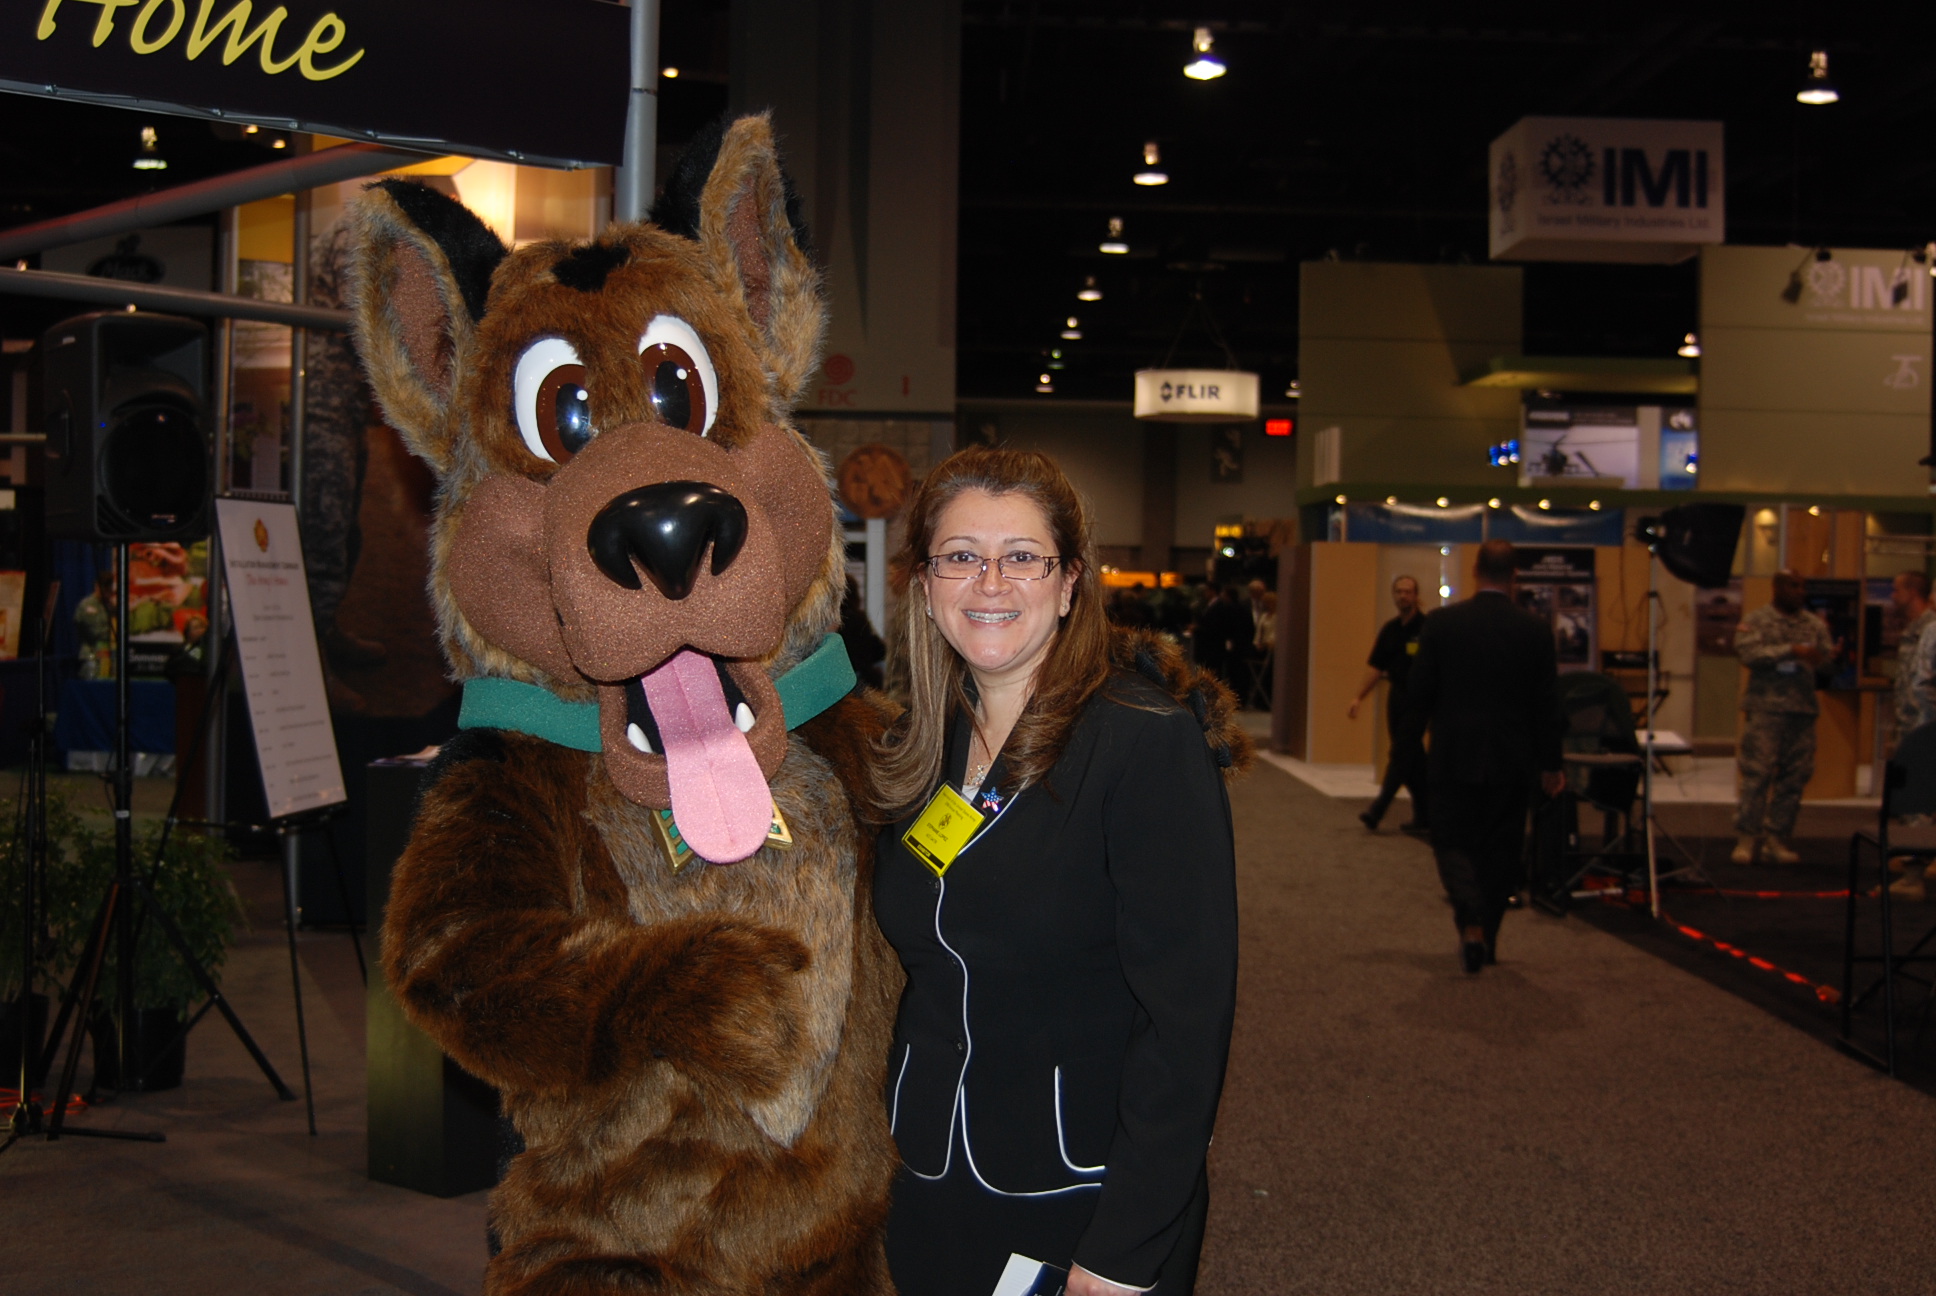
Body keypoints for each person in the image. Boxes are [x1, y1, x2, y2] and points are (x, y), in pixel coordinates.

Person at [870, 447, 1240, 1296]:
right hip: (926, 1174)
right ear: (926, 585)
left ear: (1070, 583)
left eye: (1022, 557)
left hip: (1083, 1195)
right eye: (960, 556)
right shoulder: (914, 751)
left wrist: (1124, 1248)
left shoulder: (1144, 742)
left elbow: (1187, 1024)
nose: (989, 581)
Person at [1407, 541, 1562, 973]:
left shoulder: (1441, 624)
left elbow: (1419, 694)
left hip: (1453, 754)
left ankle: (1470, 918)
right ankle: (1487, 938)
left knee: (1451, 841)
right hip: (1513, 760)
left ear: (1475, 571)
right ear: (1515, 576)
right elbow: (1547, 704)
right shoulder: (1534, 630)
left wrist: (1407, 749)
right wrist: (1551, 764)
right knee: (1501, 851)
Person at [1732, 570, 1834, 865]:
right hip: (1766, 708)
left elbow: (1827, 664)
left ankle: (1776, 838)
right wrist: (1790, 650)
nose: (1799, 591)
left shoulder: (1814, 625)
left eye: (1802, 586)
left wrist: (1826, 658)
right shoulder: (1756, 620)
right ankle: (1746, 838)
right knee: (1758, 773)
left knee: (1795, 777)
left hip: (1801, 710)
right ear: (1776, 587)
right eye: (1793, 585)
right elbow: (1748, 654)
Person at [1349, 574, 1430, 833]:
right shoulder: (1390, 630)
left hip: (1420, 698)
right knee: (1412, 757)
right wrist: (1358, 697)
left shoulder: (1427, 628)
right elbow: (1375, 667)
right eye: (1398, 592)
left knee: (1400, 754)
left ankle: (1378, 810)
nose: (1403, 596)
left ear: (1416, 595)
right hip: (1397, 697)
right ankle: (1426, 816)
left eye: (1407, 591)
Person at [1886, 570, 1936, 899]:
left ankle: (1913, 876)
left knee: (1919, 801)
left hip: (1927, 731)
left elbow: (1923, 685)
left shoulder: (1932, 631)